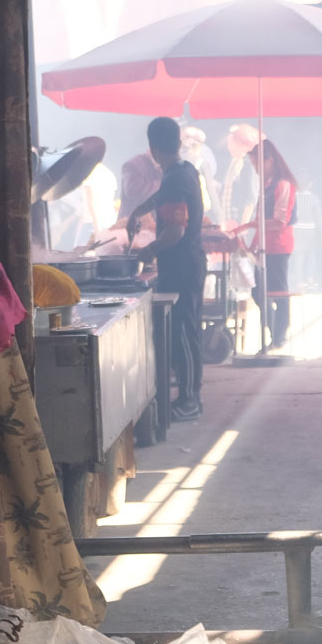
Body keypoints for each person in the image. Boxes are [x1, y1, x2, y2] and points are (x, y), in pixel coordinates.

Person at [126, 117, 206, 420]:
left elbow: (175, 231)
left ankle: (189, 400)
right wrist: (138, 211)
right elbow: (163, 198)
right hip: (190, 262)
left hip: (182, 264)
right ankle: (192, 397)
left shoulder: (175, 177)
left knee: (184, 332)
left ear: (153, 148)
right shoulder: (184, 170)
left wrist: (147, 251)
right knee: (188, 329)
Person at [241, 138, 298, 352]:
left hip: (279, 246)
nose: (256, 169)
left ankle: (279, 335)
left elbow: (279, 221)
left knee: (278, 292)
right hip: (265, 247)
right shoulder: (265, 185)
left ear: (270, 161)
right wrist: (253, 245)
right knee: (258, 292)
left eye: (257, 164)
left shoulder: (283, 184)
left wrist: (251, 225)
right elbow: (261, 220)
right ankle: (274, 332)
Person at [220, 123, 263, 229]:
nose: (228, 146)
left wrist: (244, 226)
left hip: (242, 224)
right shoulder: (235, 162)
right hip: (232, 221)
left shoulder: (249, 165)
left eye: (230, 143)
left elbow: (251, 198)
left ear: (241, 145)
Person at [291, 172, 322, 292]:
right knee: (311, 256)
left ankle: (299, 282)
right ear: (310, 184)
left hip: (296, 230)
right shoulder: (314, 197)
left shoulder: (294, 197)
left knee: (298, 257)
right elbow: (319, 217)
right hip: (310, 231)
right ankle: (310, 279)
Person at [181, 124, 220, 217]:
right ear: (198, 146)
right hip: (197, 210)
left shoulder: (172, 160)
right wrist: (219, 217)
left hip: (176, 209)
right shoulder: (200, 162)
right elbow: (211, 192)